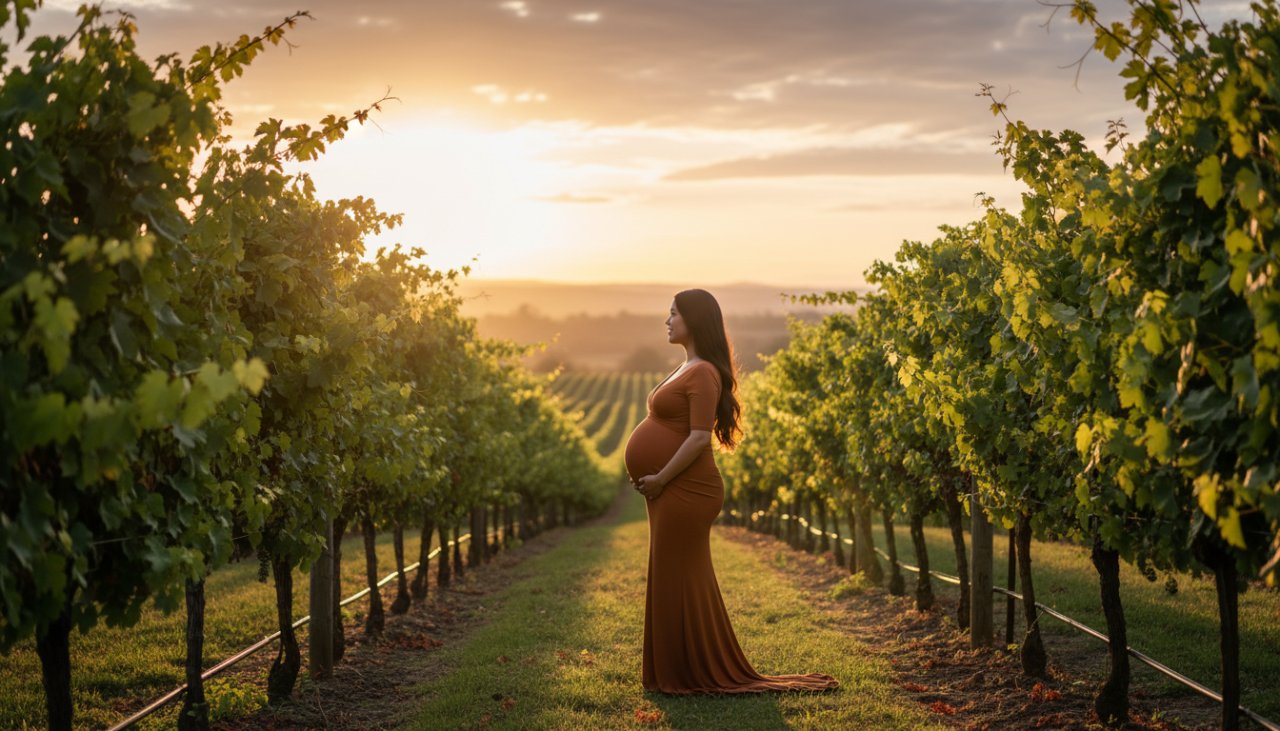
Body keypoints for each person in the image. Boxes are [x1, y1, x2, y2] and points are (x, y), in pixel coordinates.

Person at [622, 288, 839, 695]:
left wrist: (662, 477)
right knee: (672, 576)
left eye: (673, 314)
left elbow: (699, 438)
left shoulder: (703, 372)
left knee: (678, 576)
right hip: (668, 490)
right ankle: (674, 668)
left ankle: (686, 672)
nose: (667, 321)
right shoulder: (687, 366)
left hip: (688, 490)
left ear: (694, 320)